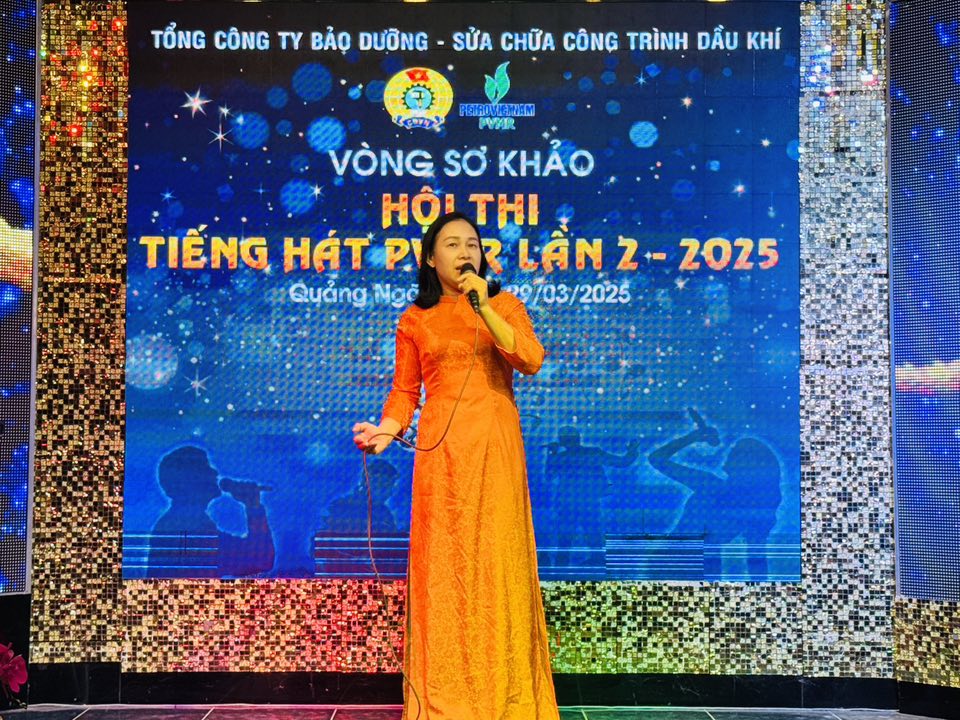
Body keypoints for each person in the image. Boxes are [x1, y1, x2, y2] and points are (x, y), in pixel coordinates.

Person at [352, 212, 560, 720]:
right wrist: (386, 432)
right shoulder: (415, 318)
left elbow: (530, 360)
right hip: (441, 458)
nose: (465, 252)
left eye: (473, 243)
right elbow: (405, 392)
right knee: (446, 570)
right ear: (430, 258)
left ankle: (506, 701)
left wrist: (484, 307)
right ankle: (447, 702)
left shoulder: (504, 304)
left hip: (495, 446)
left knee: (497, 565)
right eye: (452, 244)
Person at [147, 445, 276, 579]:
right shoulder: (191, 527)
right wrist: (253, 505)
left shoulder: (179, 521)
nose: (215, 472)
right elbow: (261, 560)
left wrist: (253, 505)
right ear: (190, 480)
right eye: (205, 467)